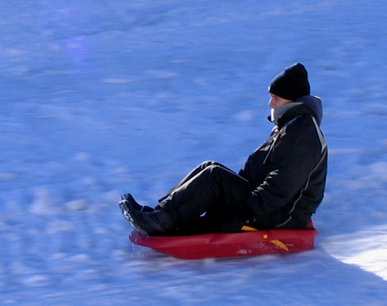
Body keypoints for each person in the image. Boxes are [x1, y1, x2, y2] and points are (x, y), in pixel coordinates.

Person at [120, 63, 327, 236]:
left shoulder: (303, 133)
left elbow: (280, 187)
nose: (270, 103)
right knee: (210, 167)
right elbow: (256, 172)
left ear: (292, 101)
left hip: (283, 216)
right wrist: (227, 200)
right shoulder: (290, 126)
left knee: (215, 177)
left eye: (276, 98)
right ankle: (160, 214)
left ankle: (161, 221)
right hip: (270, 207)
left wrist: (241, 214)